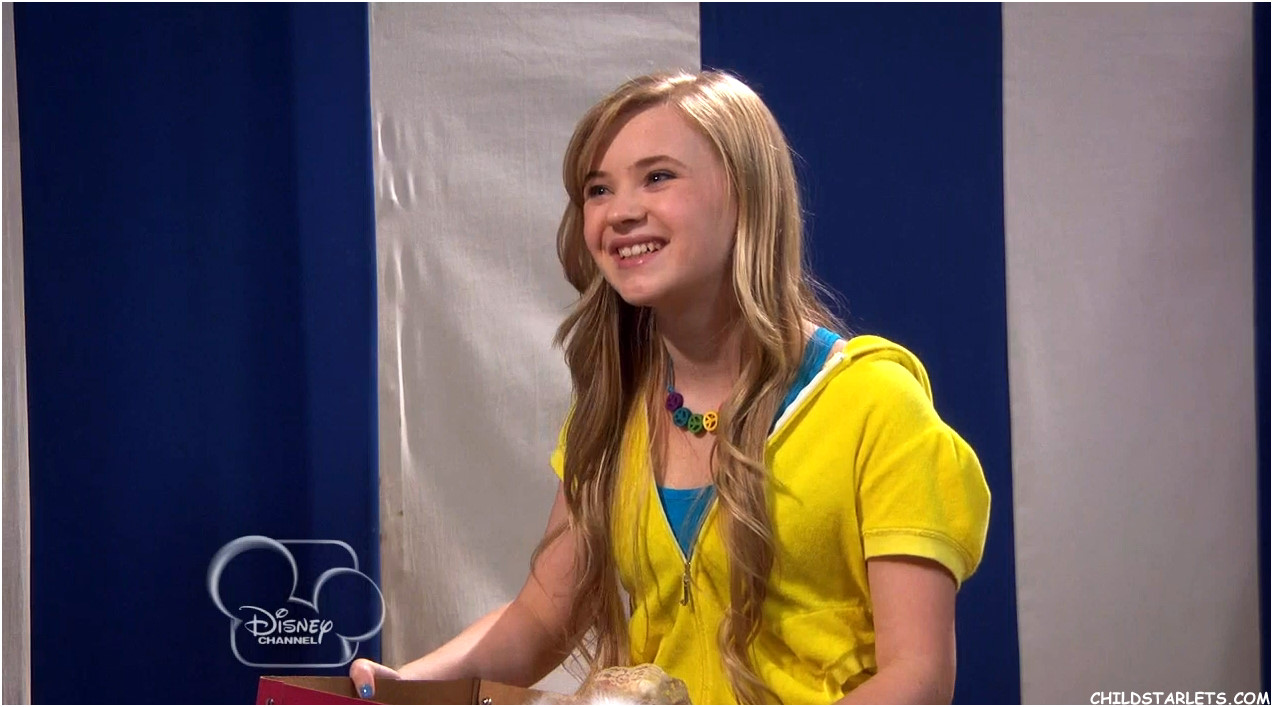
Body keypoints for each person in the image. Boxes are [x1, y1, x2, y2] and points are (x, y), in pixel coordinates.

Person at [351, 70, 991, 705]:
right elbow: (542, 619)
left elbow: (918, 678)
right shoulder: (611, 413)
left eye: (657, 177)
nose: (621, 211)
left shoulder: (875, 402)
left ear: (747, 193)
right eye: (598, 189)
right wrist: (402, 686)